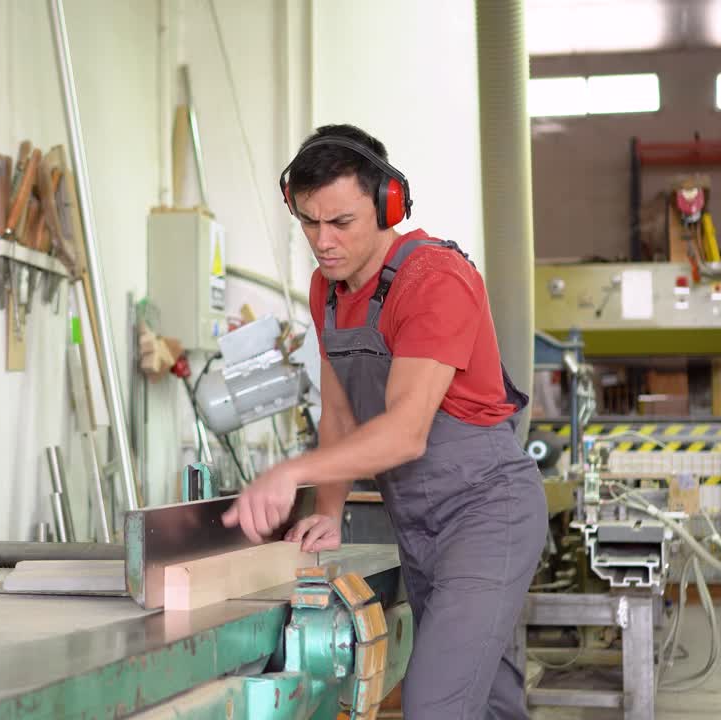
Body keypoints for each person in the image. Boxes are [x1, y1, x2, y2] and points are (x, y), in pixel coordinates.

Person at [222, 124, 548, 719]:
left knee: (433, 703)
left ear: (385, 203)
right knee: (490, 697)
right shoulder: (327, 289)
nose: (322, 241)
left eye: (340, 223)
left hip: (486, 512)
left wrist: (287, 472)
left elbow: (405, 431)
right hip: (418, 523)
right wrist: (326, 510)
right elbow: (340, 414)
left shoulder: (434, 280)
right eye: (308, 221)